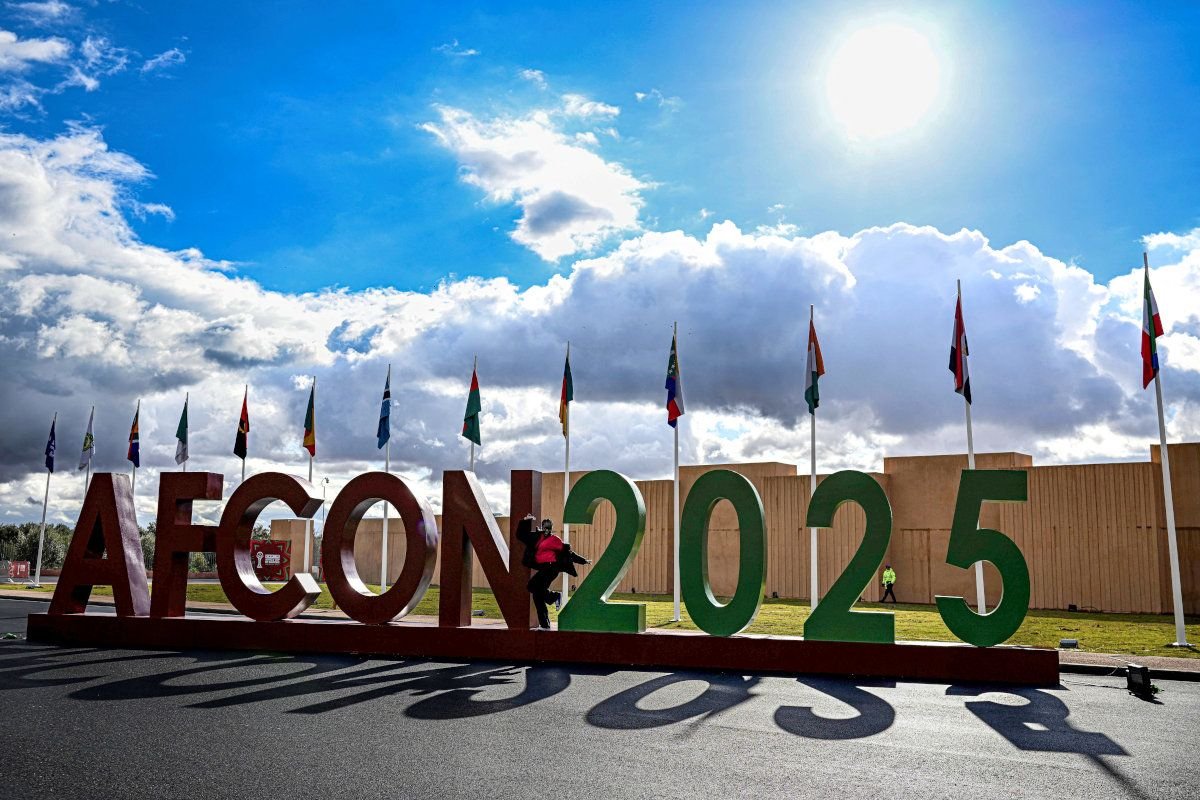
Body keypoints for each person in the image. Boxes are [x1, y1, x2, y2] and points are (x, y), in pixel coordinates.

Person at [521, 515, 589, 629]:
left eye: (548, 528)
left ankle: (555, 596)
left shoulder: (555, 540)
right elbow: (522, 536)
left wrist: (583, 560)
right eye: (545, 527)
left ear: (551, 529)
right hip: (543, 568)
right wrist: (525, 521)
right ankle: (545, 625)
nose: (546, 530)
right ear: (542, 527)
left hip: (551, 568)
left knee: (531, 586)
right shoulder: (538, 537)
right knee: (537, 595)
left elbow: (568, 553)